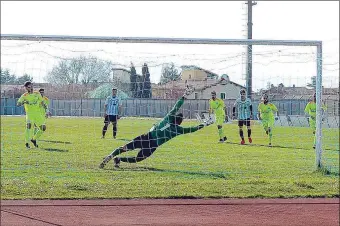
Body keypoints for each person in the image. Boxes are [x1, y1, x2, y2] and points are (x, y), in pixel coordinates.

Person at [99, 90, 213, 169]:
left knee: (125, 147)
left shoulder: (168, 118)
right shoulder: (178, 130)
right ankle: (119, 160)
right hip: (153, 145)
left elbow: (176, 107)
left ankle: (112, 155)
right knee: (138, 159)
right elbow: (192, 129)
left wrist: (184, 96)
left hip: (147, 136)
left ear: (173, 117)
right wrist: (204, 124)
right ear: (180, 122)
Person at [17, 82, 48, 148]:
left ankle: (33, 139)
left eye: (31, 86)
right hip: (30, 114)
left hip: (37, 114)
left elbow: (42, 102)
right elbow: (18, 104)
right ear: (26, 88)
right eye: (28, 87)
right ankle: (27, 142)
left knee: (43, 128)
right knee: (29, 126)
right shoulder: (24, 95)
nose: (30, 88)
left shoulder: (37, 94)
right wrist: (24, 102)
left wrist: (47, 111)